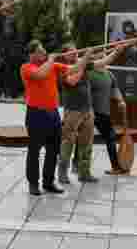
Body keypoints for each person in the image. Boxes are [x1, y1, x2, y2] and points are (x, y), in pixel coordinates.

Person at [20, 40, 87, 196]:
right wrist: (51, 59)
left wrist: (86, 57)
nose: (44, 52)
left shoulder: (53, 66)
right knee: (34, 150)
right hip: (36, 113)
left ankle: (48, 182)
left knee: (53, 149)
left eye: (44, 50)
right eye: (40, 51)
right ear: (32, 54)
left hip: (53, 113)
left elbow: (74, 68)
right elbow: (40, 74)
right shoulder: (26, 68)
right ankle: (33, 184)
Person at [57, 43, 123, 185]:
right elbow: (72, 81)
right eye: (71, 52)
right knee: (68, 142)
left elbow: (104, 61)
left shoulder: (84, 64)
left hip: (88, 110)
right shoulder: (62, 68)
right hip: (73, 111)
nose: (75, 53)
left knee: (87, 143)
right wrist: (85, 60)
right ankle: (62, 173)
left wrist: (117, 51)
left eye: (75, 50)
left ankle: (84, 173)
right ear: (64, 55)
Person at [89, 55, 128, 175]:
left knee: (110, 138)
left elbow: (114, 89)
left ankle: (116, 166)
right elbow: (84, 93)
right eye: (102, 60)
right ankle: (77, 164)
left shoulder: (109, 74)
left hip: (103, 113)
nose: (105, 62)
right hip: (89, 113)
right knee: (84, 139)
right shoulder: (89, 74)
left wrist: (120, 100)